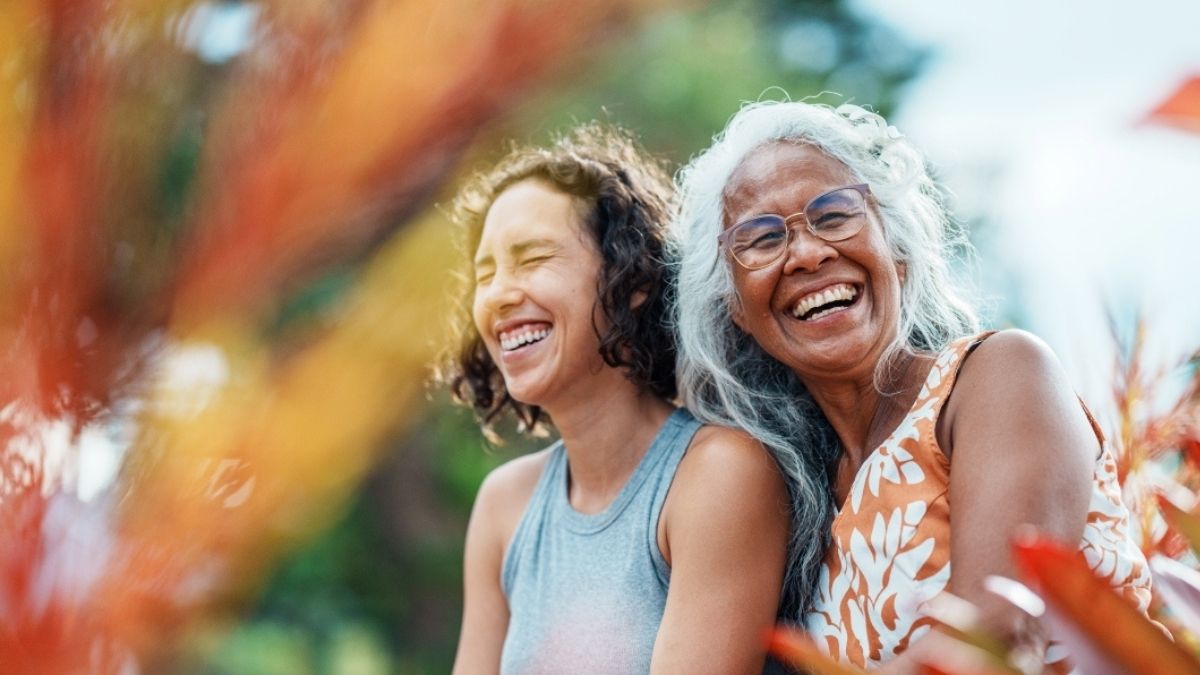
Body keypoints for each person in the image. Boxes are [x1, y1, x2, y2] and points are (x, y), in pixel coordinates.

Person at [671, 101, 1154, 672]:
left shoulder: (996, 376)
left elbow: (994, 638)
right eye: (762, 239)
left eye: (833, 215)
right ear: (735, 309)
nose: (807, 252)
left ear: (896, 250)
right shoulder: (801, 502)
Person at [443, 123, 791, 674]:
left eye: (531, 258)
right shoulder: (504, 505)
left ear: (632, 279)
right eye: (486, 274)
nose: (500, 295)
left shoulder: (719, 474)